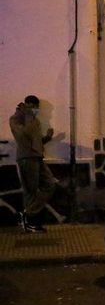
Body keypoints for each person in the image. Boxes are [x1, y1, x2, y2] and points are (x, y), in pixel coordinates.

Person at [9, 95, 57, 232]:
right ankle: (30, 223)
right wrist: (29, 115)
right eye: (34, 107)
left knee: (50, 185)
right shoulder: (15, 119)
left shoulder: (33, 119)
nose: (36, 110)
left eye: (37, 107)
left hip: (37, 157)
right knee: (30, 191)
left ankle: (27, 213)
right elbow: (24, 135)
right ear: (28, 105)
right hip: (26, 158)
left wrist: (47, 138)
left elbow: (34, 141)